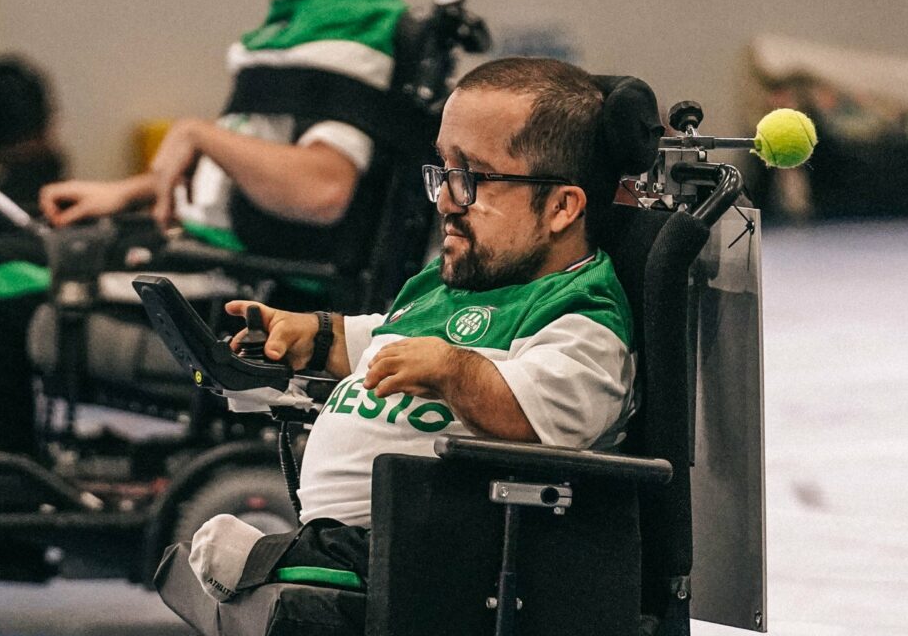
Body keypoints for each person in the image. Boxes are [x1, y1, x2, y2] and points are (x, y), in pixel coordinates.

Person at [0, 0, 408, 453]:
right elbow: (261, 163)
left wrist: (198, 133)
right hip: (212, 251)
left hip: (243, 287)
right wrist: (129, 192)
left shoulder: (354, 20)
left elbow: (321, 188)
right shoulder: (303, 17)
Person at [182, 56, 636, 606]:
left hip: (441, 567)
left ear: (561, 207)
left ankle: (282, 564)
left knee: (238, 563)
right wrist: (318, 335)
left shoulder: (580, 317)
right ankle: (296, 558)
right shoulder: (452, 284)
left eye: (471, 177)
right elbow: (387, 340)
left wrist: (454, 369)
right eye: (443, 172)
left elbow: (536, 414)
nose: (445, 199)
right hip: (356, 538)